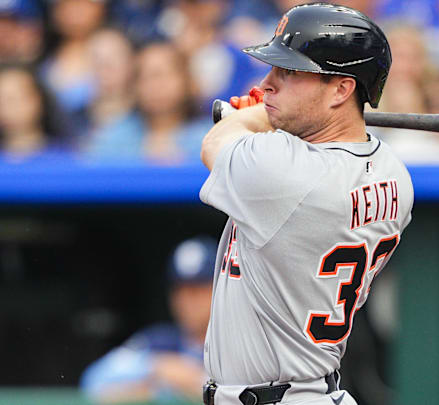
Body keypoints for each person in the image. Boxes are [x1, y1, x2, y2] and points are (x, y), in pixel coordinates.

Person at [198, 4, 414, 405]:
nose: (266, 84)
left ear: (341, 90)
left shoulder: (286, 175)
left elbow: (214, 142)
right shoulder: (393, 173)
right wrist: (272, 117)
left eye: (289, 72)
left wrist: (256, 116)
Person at [80, 236, 216, 404]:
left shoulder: (233, 344)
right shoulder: (157, 340)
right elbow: (94, 380)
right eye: (180, 290)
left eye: (198, 290)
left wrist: (194, 379)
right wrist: (158, 367)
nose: (188, 301)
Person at [85, 42, 208, 164]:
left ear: (187, 80)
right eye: (146, 77)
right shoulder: (113, 140)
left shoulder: (209, 139)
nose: (156, 85)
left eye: (163, 74)